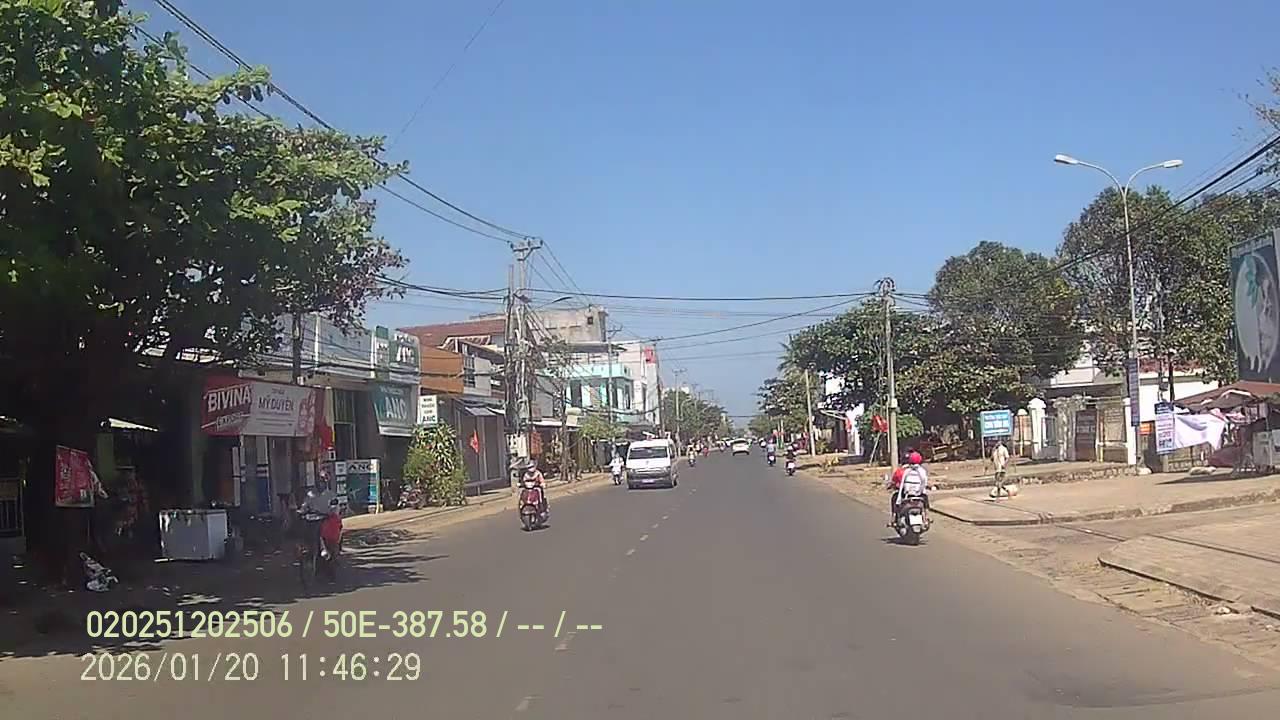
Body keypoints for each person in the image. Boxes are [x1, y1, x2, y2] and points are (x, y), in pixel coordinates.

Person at [888, 451, 929, 525]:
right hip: (918, 494)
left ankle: (893, 518)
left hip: (906, 494)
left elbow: (900, 482)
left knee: (894, 497)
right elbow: (924, 482)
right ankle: (926, 517)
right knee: (925, 498)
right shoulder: (922, 471)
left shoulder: (903, 471)